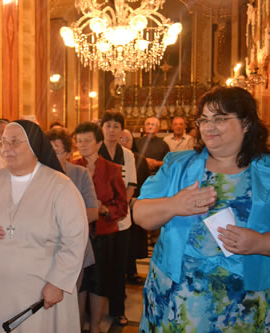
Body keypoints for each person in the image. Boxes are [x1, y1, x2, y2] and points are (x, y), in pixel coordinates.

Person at [134, 86, 270, 332]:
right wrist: (174, 204)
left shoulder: (267, 172)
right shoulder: (178, 164)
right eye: (204, 120)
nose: (209, 127)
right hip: (177, 299)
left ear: (247, 123)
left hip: (243, 305)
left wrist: (260, 243)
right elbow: (140, 214)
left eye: (219, 119)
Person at [0, 120, 88, 333]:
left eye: (14, 142)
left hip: (38, 293)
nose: (6, 148)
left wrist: (58, 283)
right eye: (4, 141)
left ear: (34, 145)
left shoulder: (60, 186)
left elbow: (74, 239)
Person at [72, 121, 128, 333]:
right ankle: (77, 325)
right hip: (78, 234)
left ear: (98, 143)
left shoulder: (112, 169)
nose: (82, 144)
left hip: (103, 235)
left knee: (99, 283)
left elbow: (122, 207)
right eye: (78, 140)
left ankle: (95, 326)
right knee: (79, 282)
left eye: (87, 140)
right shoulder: (72, 166)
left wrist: (104, 210)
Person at [46, 127, 98, 328]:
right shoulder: (37, 175)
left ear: (68, 154)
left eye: (56, 151)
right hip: (42, 249)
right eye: (47, 151)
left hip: (73, 249)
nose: (50, 156)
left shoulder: (79, 173)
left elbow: (93, 212)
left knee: (68, 304)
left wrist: (61, 221)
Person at [98, 111, 137, 326]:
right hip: (100, 217)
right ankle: (92, 308)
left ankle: (117, 310)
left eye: (116, 126)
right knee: (99, 265)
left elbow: (131, 185)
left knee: (118, 265)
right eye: (108, 125)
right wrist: (104, 209)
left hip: (122, 219)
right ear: (102, 128)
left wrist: (120, 207)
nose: (112, 130)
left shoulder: (127, 155)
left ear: (121, 129)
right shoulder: (97, 151)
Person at [119, 129, 149, 285]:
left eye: (126, 139)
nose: (123, 142)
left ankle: (132, 272)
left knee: (133, 243)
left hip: (135, 204)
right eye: (120, 139)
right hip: (119, 206)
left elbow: (145, 182)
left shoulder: (139, 159)